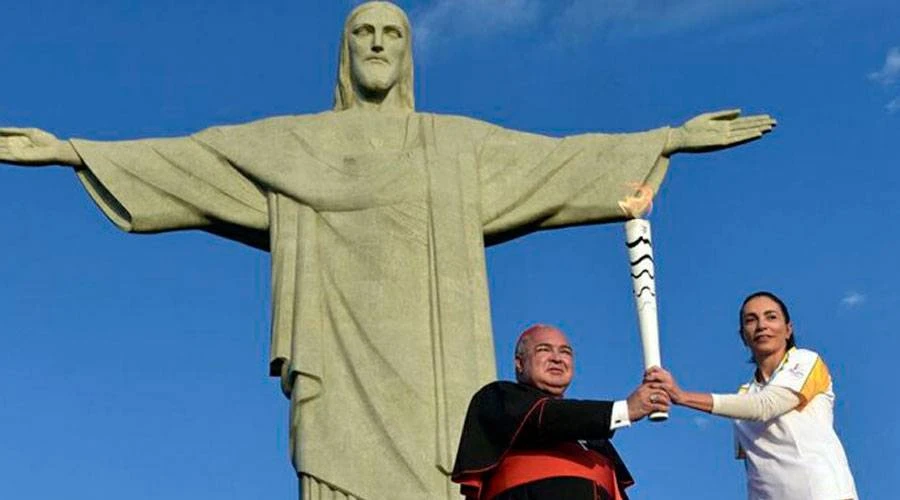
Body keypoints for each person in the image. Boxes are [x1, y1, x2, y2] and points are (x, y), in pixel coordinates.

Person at [0, 2, 775, 498]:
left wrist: (666, 138)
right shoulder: (294, 144)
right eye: (362, 34)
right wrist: (73, 151)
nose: (376, 44)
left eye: (392, 34)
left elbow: (558, 160)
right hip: (338, 364)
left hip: (437, 370)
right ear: (345, 54)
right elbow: (197, 160)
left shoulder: (452, 148)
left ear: (409, 55)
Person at [646, 291, 858, 500]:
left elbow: (765, 406)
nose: (762, 325)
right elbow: (758, 471)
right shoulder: (744, 396)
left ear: (788, 330)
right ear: (743, 336)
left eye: (771, 317)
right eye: (751, 320)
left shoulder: (806, 361)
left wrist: (682, 396)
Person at [452, 324, 670, 499]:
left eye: (565, 352)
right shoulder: (499, 397)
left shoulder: (589, 431)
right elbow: (547, 417)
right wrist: (626, 409)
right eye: (544, 349)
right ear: (520, 363)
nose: (557, 358)